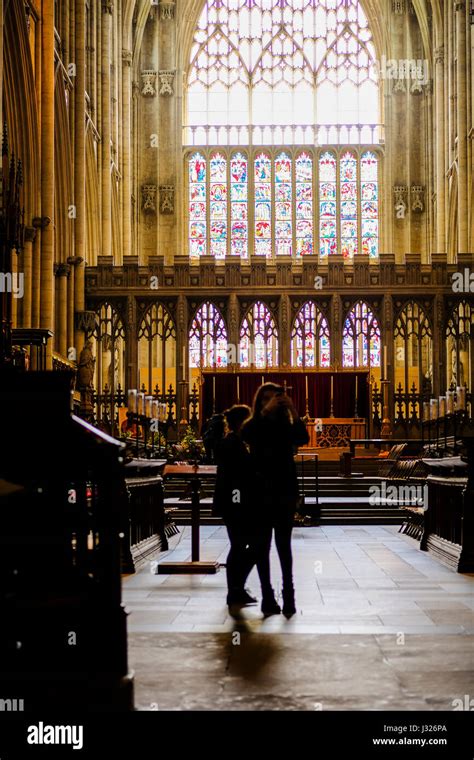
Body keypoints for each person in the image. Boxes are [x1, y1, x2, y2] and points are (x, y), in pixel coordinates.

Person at [242, 383, 309, 618]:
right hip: (260, 492)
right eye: (265, 399)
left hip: (284, 491)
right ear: (259, 402)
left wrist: (293, 411)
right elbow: (246, 433)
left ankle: (289, 593)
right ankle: (267, 596)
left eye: (275, 399)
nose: (271, 402)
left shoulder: (284, 425)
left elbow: (303, 437)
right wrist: (264, 411)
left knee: (284, 545)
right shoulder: (256, 425)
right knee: (262, 546)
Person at [213, 405, 275, 615]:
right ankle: (235, 590)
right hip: (235, 504)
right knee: (244, 546)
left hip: (235, 503)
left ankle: (236, 589)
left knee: (240, 546)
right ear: (241, 423)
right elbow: (241, 475)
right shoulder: (233, 443)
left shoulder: (235, 442)